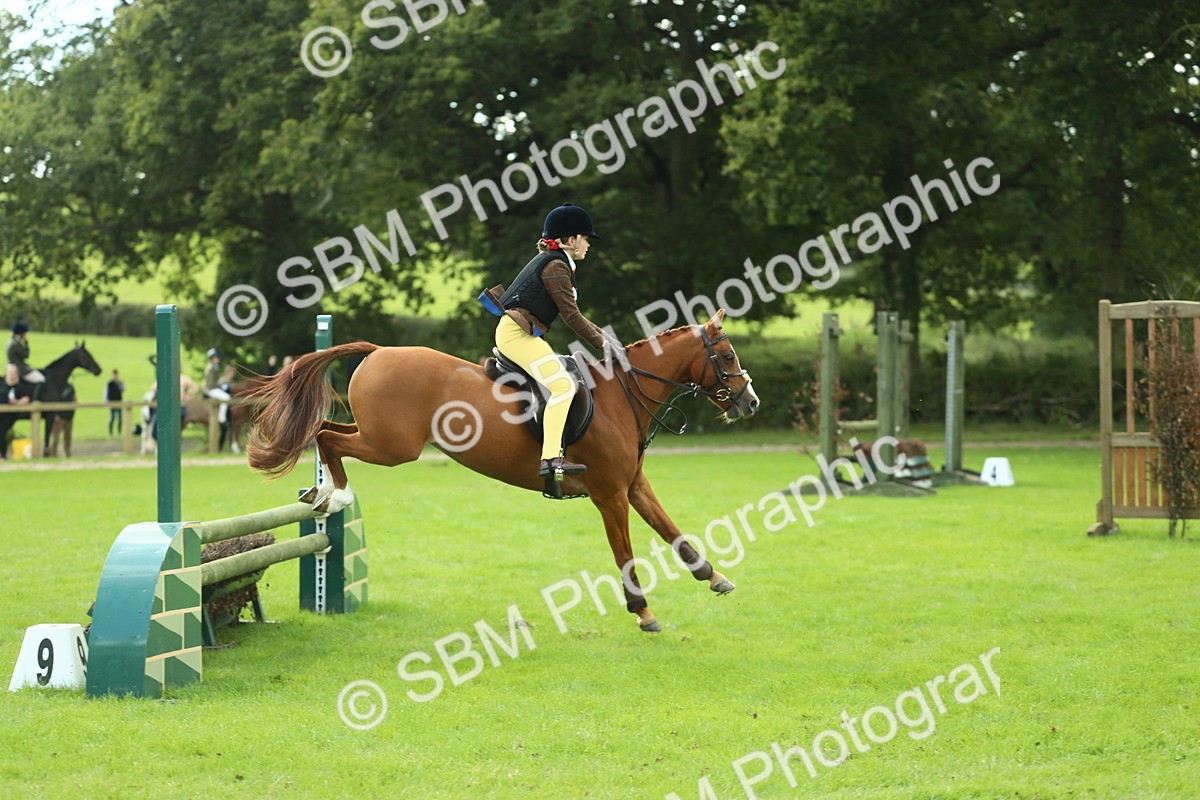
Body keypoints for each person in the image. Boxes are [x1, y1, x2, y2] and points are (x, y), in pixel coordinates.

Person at [480, 203, 622, 483]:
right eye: (585, 238)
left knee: (565, 376)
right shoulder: (556, 266)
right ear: (571, 240)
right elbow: (571, 316)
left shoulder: (556, 263)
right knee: (563, 386)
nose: (588, 245)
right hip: (515, 336)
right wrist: (603, 344)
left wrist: (606, 339)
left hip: (520, 334)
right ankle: (550, 459)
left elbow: (575, 314)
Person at [1, 363, 32, 460]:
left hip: (11, 414)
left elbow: (26, 399)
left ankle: (3, 455)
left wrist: (17, 402)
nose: (12, 374)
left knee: (1, 431)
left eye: (14, 372)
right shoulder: (2, 384)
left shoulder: (20, 386)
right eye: (10, 372)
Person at [202, 348, 230, 426]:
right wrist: (220, 385)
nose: (218, 359)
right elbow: (211, 383)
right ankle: (222, 418)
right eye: (217, 358)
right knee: (226, 397)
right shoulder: (210, 368)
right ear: (212, 358)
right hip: (210, 389)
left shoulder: (214, 367)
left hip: (213, 388)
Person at [106, 369, 125, 436]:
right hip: (112, 402)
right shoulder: (110, 384)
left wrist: (118, 384)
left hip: (119, 402)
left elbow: (122, 390)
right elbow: (108, 393)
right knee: (112, 418)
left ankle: (119, 432)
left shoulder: (120, 383)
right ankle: (111, 433)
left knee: (120, 418)